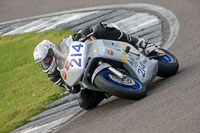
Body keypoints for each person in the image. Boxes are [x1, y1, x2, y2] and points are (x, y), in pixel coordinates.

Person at [33, 22, 149, 110]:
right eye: (43, 62)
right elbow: (71, 89)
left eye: (47, 59)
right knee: (84, 102)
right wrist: (72, 85)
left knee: (100, 29)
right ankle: (108, 88)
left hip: (95, 54)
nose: (46, 63)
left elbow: (77, 36)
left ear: (51, 52)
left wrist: (83, 33)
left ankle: (136, 42)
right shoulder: (53, 76)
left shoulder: (64, 45)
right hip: (88, 78)